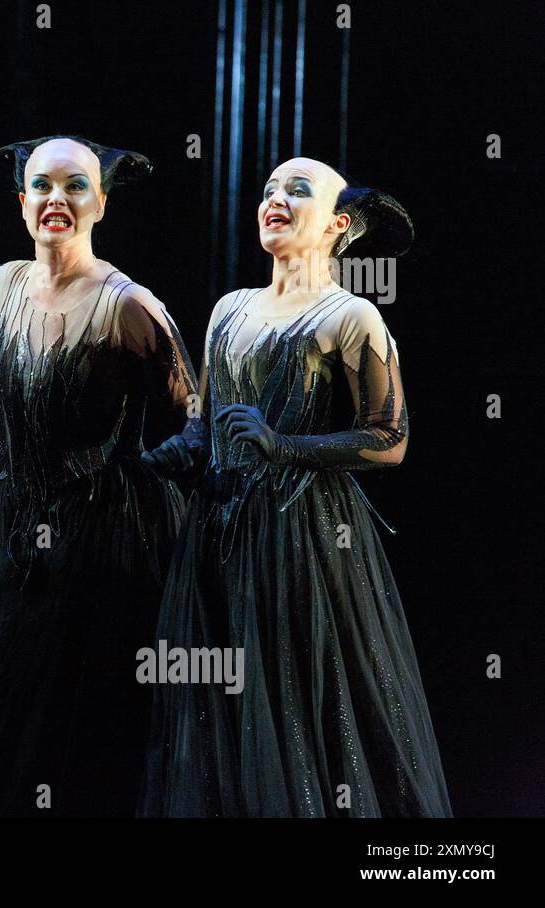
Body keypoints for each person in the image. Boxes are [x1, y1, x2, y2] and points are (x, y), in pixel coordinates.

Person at [139, 157, 451, 817]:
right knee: (216, 715)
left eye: (297, 191)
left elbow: (388, 439)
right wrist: (155, 461)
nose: (275, 198)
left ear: (338, 224)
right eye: (268, 190)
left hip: (301, 541)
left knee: (293, 707)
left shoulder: (351, 315)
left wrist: (286, 447)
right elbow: (208, 433)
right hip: (216, 539)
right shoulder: (229, 309)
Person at [0, 136, 197, 816]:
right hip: (7, 524)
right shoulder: (7, 284)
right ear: (22, 202)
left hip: (96, 542)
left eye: (74, 186)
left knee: (69, 728)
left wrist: (146, 474)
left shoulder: (128, 306)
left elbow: (197, 421)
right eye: (42, 186)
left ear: (99, 202)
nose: (56, 200)